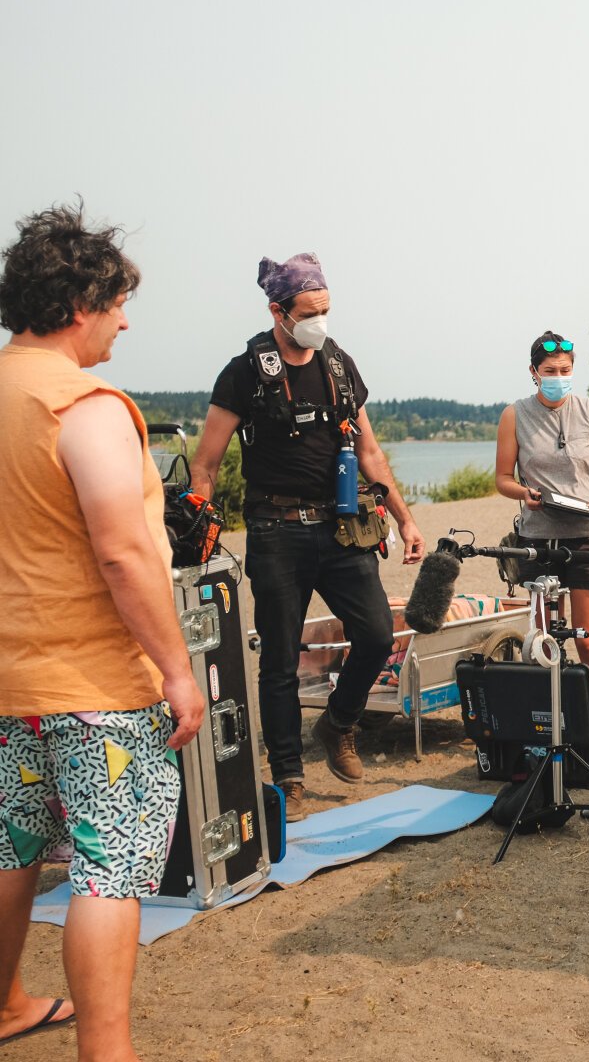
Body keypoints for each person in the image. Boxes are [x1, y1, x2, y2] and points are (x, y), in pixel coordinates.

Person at [0, 204, 204, 1059]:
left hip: (11, 684)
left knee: (10, 848)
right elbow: (125, 554)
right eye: (118, 301)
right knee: (108, 870)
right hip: (97, 690)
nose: (126, 318)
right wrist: (177, 669)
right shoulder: (83, 406)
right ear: (80, 304)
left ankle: (6, 1003)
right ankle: (107, 1051)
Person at [192, 254, 424, 821]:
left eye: (326, 310)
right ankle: (289, 777)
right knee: (278, 662)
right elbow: (207, 462)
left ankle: (339, 722)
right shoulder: (243, 372)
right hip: (275, 533)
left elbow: (368, 451)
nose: (320, 321)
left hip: (343, 528)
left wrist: (404, 517)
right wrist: (194, 529)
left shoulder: (338, 364)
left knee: (375, 636)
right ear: (277, 311)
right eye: (308, 312)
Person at [494, 331, 589, 728]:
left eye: (565, 370)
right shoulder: (514, 415)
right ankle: (547, 726)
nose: (558, 376)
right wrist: (524, 492)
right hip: (538, 538)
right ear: (534, 372)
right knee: (542, 642)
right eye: (550, 370)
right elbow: (502, 478)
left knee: (588, 641)